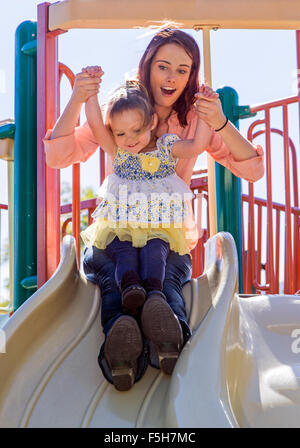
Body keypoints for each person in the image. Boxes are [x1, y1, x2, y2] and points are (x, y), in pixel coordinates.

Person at [43, 27, 264, 391]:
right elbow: (60, 154)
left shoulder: (189, 121)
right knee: (115, 278)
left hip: (165, 234)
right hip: (117, 235)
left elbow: (251, 169)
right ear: (147, 67)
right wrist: (79, 98)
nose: (172, 77)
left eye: (183, 69)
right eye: (164, 66)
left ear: (192, 74)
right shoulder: (124, 110)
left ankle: (166, 335)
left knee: (167, 279)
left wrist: (218, 121)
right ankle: (123, 341)